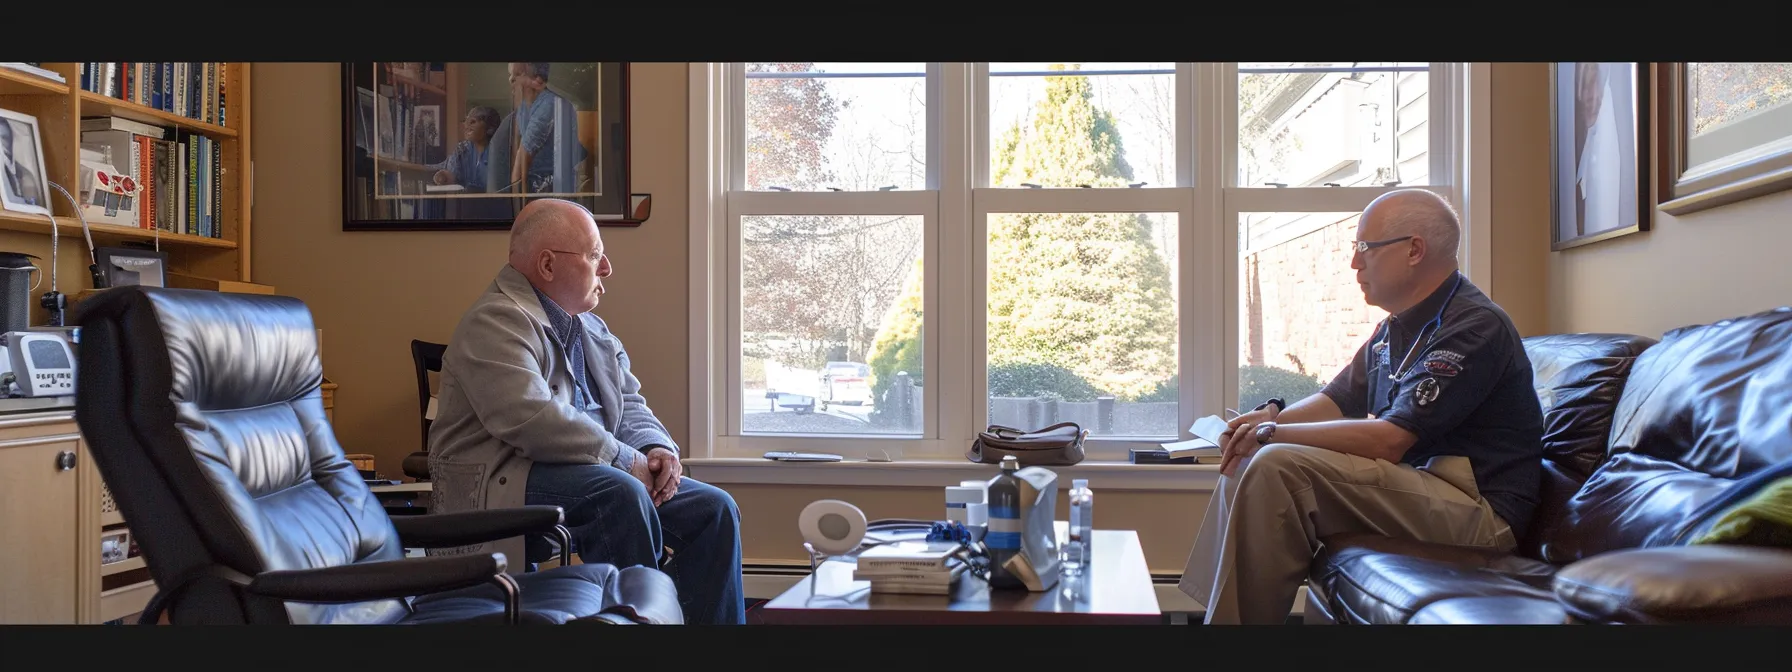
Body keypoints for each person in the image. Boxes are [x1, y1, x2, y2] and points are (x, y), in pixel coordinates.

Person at [1177, 188, 1543, 625]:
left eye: (1364, 248)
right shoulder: (1395, 328)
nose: (1355, 263)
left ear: (1414, 250)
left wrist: (1271, 435)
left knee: (1277, 464)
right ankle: (1211, 615)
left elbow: (1390, 440)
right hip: (1421, 486)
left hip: (1478, 511)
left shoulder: (1473, 327)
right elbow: (1337, 399)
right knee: (1249, 457)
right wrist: (1269, 420)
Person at [427, 198, 745, 625]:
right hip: (509, 477)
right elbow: (533, 420)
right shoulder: (495, 322)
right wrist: (625, 460)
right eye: (595, 255)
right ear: (547, 265)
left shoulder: (590, 327)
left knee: (715, 509)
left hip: (598, 469)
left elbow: (630, 402)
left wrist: (655, 450)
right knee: (619, 494)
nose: (607, 267)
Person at [1, 120, 44, 209]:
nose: (2, 145)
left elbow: (33, 205)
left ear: (12, 140)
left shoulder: (25, 174)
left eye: (5, 138)